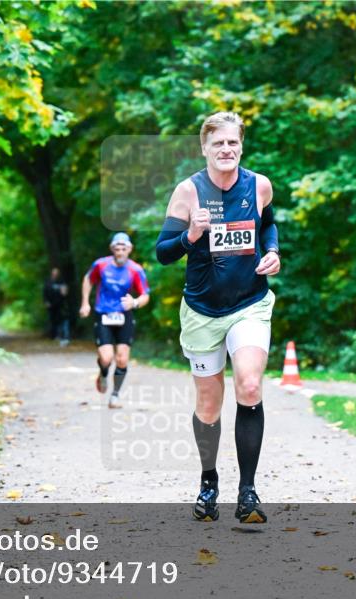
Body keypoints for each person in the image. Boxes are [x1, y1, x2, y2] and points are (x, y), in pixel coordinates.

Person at [155, 111, 280, 524]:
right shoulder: (188, 192)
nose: (226, 150)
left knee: (248, 384)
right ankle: (209, 482)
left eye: (233, 143)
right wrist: (190, 235)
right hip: (203, 310)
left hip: (250, 303)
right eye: (217, 144)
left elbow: (269, 225)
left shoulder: (259, 185)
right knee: (209, 406)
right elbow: (163, 252)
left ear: (241, 145)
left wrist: (273, 252)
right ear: (204, 148)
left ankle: (248, 493)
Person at [79, 232, 150, 409]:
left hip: (124, 314)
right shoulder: (101, 265)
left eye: (123, 248)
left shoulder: (135, 269)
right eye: (117, 249)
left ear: (130, 249)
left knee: (122, 359)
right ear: (112, 249)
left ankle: (115, 396)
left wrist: (134, 302)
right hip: (104, 313)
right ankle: (103, 373)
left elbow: (145, 295)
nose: (120, 252)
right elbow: (88, 279)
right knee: (106, 357)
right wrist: (85, 303)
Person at [43, 267, 70, 346]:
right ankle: (53, 336)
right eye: (54, 272)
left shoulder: (61, 281)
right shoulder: (48, 282)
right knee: (52, 320)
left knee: (61, 320)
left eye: (56, 272)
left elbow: (65, 293)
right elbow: (44, 293)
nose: (55, 274)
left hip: (60, 305)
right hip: (51, 305)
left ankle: (61, 336)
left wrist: (64, 291)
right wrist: (46, 302)